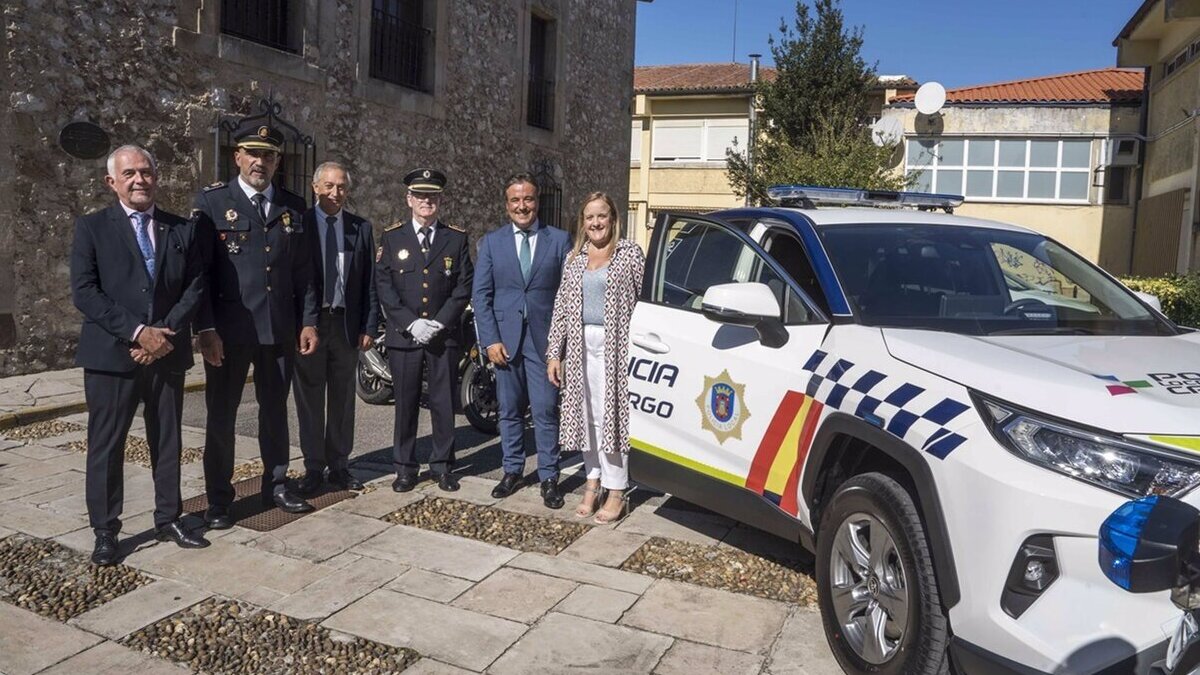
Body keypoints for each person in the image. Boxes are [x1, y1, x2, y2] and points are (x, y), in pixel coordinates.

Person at [70, 145, 210, 565]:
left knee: (167, 441)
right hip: (112, 357)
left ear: (156, 177)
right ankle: (106, 530)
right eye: (129, 173)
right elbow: (85, 292)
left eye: (146, 172)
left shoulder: (180, 229)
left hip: (166, 352)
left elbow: (196, 285)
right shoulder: (92, 228)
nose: (139, 180)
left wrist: (162, 334)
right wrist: (137, 332)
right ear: (111, 182)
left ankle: (169, 517)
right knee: (107, 445)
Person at [193, 122, 319, 528]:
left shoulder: (294, 207)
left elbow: (306, 275)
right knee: (222, 415)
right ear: (238, 157)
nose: (259, 162)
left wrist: (309, 322)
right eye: (252, 153)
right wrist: (205, 329)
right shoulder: (213, 204)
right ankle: (218, 498)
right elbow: (201, 275)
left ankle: (276, 483)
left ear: (278, 161)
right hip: (229, 333)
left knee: (275, 411)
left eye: (268, 155)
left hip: (280, 329)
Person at [472, 173, 571, 508]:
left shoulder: (559, 240)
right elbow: (481, 295)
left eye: (527, 199)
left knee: (545, 410)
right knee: (509, 410)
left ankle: (549, 477)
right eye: (515, 200)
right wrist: (490, 340)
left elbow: (568, 295)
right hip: (505, 341)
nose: (522, 206)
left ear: (537, 201)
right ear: (506, 204)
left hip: (544, 342)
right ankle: (512, 470)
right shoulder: (492, 242)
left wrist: (560, 344)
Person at [547, 193, 644, 523]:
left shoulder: (629, 254)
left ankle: (616, 489)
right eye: (590, 217)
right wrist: (554, 354)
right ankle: (592, 481)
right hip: (578, 345)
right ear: (582, 222)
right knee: (586, 415)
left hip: (616, 345)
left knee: (611, 417)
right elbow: (561, 307)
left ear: (613, 219)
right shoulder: (574, 258)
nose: (596, 223)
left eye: (602, 216)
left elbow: (645, 301)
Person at [376, 168, 473, 493]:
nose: (426, 201)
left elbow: (463, 286)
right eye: (420, 195)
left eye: (432, 196)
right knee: (405, 402)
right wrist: (411, 323)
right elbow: (385, 286)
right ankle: (405, 468)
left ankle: (443, 466)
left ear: (440, 199)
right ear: (409, 199)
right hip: (405, 337)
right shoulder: (392, 237)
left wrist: (439, 322)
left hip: (442, 337)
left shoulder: (456, 238)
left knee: (444, 402)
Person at [292, 162, 378, 495]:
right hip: (310, 326)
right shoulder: (300, 226)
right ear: (315, 188)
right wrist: (302, 323)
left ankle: (340, 465)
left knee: (342, 398)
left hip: (345, 323)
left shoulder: (360, 228)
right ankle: (313, 467)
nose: (335, 192)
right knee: (309, 397)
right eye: (328, 186)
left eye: (341, 186)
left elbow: (368, 281)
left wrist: (369, 323)